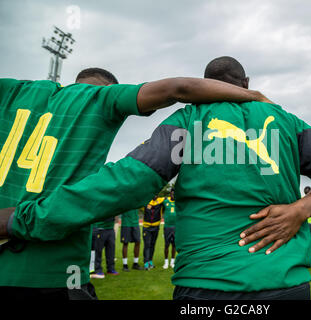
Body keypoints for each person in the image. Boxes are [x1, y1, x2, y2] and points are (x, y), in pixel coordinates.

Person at [0, 57, 311, 300]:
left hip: (206, 288)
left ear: (209, 85)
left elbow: (129, 181)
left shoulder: (189, 120)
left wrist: (22, 218)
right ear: (245, 86)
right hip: (286, 284)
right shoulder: (287, 122)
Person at [0, 67, 270, 299]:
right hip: (53, 274)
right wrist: (253, 96)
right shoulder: (100, 97)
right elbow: (179, 88)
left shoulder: (12, 90)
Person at [143, 195, 164, 269]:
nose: (155, 195)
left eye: (156, 193)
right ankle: (146, 262)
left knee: (152, 244)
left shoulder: (161, 201)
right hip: (147, 227)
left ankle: (150, 261)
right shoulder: (146, 201)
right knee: (147, 244)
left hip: (156, 227)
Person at [162, 189, 177, 269]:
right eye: (172, 194)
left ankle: (172, 262)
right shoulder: (165, 202)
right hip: (167, 226)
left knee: (174, 245)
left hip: (175, 227)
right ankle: (166, 262)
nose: (173, 195)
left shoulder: (178, 203)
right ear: (170, 194)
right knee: (166, 245)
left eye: (174, 194)